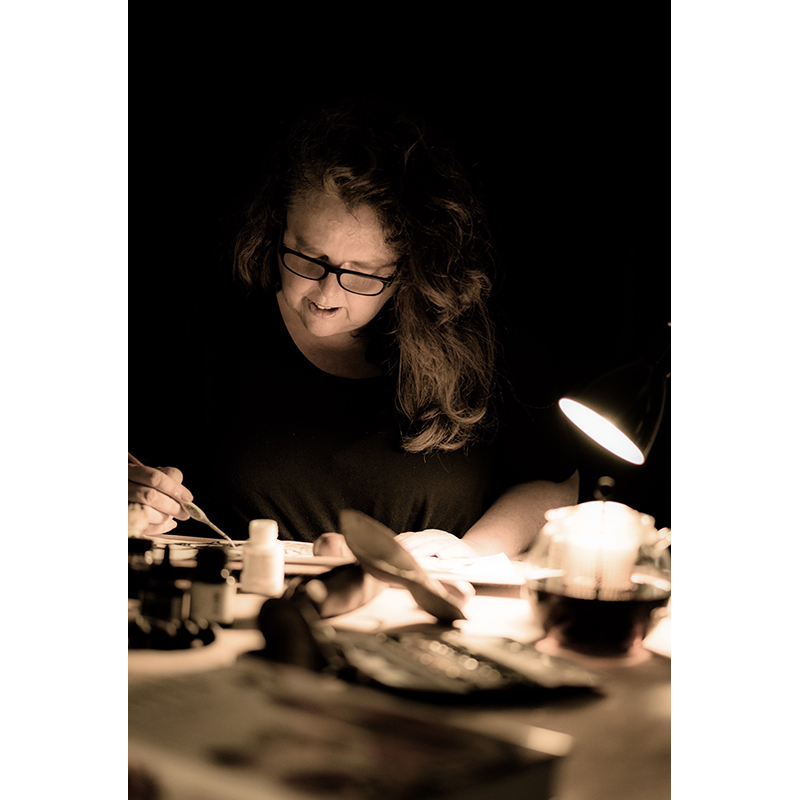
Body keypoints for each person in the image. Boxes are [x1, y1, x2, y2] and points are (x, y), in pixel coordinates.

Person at [128, 97, 579, 559]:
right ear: (275, 228)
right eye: (307, 258)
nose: (326, 295)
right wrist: (136, 498)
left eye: (363, 274)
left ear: (412, 268)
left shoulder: (478, 335)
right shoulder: (209, 320)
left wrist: (472, 552)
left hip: (426, 614)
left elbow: (553, 483)